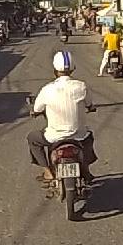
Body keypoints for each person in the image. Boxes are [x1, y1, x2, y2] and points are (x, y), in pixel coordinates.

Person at [27, 51, 97, 183]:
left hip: (53, 137)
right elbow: (89, 104)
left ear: (54, 69)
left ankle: (48, 172)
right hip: (78, 135)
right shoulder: (81, 86)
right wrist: (90, 108)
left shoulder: (47, 89)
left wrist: (35, 112)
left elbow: (37, 109)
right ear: (73, 69)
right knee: (89, 137)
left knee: (32, 138)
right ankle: (86, 170)